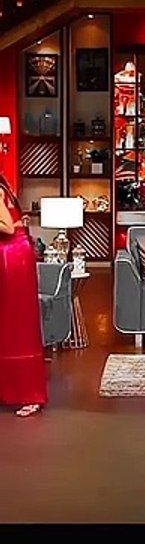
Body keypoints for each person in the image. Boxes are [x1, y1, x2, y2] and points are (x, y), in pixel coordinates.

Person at [0, 173, 48, 417]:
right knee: (13, 323)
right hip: (15, 253)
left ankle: (29, 393)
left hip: (10, 256)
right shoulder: (5, 187)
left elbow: (7, 226)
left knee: (15, 324)